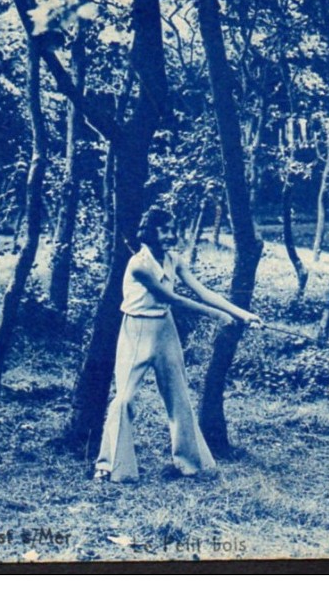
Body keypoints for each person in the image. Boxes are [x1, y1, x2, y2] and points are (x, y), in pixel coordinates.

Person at [94, 206, 262, 483]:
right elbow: (173, 298)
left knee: (179, 396)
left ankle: (190, 463)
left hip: (165, 329)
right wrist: (217, 316)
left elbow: (202, 291)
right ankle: (110, 465)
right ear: (150, 233)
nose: (171, 235)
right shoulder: (139, 265)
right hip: (136, 329)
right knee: (124, 400)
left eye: (172, 229)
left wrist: (242, 314)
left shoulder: (174, 260)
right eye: (165, 230)